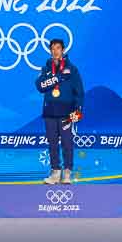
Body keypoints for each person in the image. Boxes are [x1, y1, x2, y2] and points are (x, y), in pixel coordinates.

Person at [34, 37, 84, 184]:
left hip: (67, 113)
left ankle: (67, 173)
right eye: (53, 48)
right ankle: (55, 172)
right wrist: (58, 78)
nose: (55, 51)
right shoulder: (46, 69)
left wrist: (77, 112)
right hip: (50, 112)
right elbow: (40, 86)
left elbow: (79, 92)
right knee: (52, 144)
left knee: (67, 143)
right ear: (50, 51)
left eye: (58, 48)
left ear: (63, 50)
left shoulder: (72, 69)